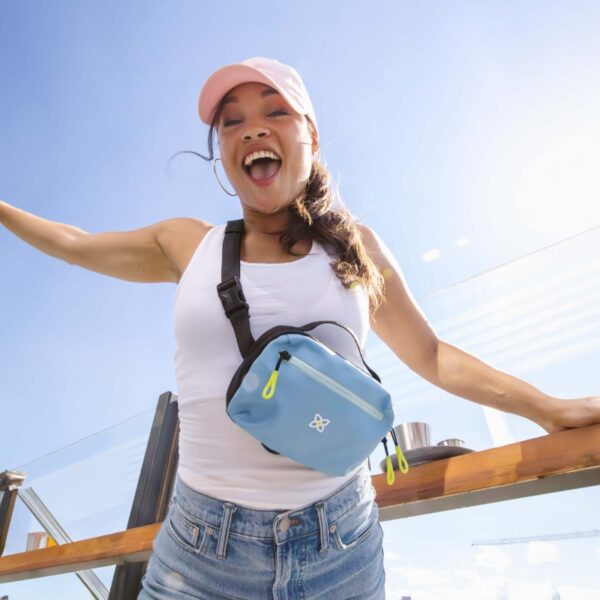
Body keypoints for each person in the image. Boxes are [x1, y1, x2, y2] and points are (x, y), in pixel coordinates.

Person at [1, 56, 599, 600]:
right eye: (231, 122)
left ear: (310, 135)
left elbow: (433, 355)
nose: (253, 129)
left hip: (340, 547)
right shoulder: (188, 244)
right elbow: (74, 244)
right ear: (223, 156)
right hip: (198, 556)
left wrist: (545, 408)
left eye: (275, 111)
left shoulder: (355, 250)